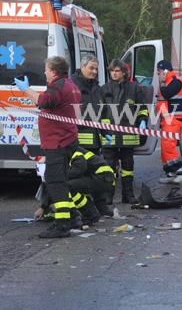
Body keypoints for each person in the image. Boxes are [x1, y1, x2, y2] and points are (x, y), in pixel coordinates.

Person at [14, 56, 82, 238]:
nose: (44, 72)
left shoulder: (58, 86)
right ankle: (73, 217)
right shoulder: (70, 85)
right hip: (64, 140)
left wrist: (26, 89)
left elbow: (45, 101)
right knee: (60, 180)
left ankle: (62, 224)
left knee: (55, 182)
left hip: (59, 142)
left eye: (46, 69)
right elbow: (50, 105)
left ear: (53, 71)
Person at [70, 55, 114, 216]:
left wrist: (106, 132)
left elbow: (103, 113)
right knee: (76, 176)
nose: (94, 71)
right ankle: (77, 209)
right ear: (82, 67)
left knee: (97, 175)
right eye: (91, 68)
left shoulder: (97, 88)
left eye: (96, 68)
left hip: (95, 142)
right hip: (77, 142)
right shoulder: (72, 85)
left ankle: (100, 206)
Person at [101, 60, 148, 204]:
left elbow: (142, 107)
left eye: (117, 71)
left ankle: (128, 194)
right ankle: (108, 196)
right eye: (112, 71)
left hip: (128, 135)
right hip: (109, 135)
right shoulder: (104, 89)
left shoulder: (134, 88)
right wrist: (102, 130)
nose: (114, 74)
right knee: (109, 166)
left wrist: (143, 120)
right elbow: (99, 112)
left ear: (124, 73)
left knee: (128, 166)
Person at [34, 147, 114, 226]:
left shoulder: (69, 150)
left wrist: (64, 179)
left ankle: (90, 214)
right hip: (102, 178)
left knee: (67, 187)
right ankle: (87, 214)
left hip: (101, 177)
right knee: (66, 186)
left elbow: (80, 166)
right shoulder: (68, 149)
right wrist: (43, 207)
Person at [156, 60, 182, 184]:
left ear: (166, 71)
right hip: (167, 119)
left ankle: (181, 171)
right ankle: (171, 173)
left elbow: (166, 94)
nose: (158, 74)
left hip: (174, 119)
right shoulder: (168, 81)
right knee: (165, 148)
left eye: (159, 71)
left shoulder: (175, 81)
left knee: (168, 145)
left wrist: (162, 82)